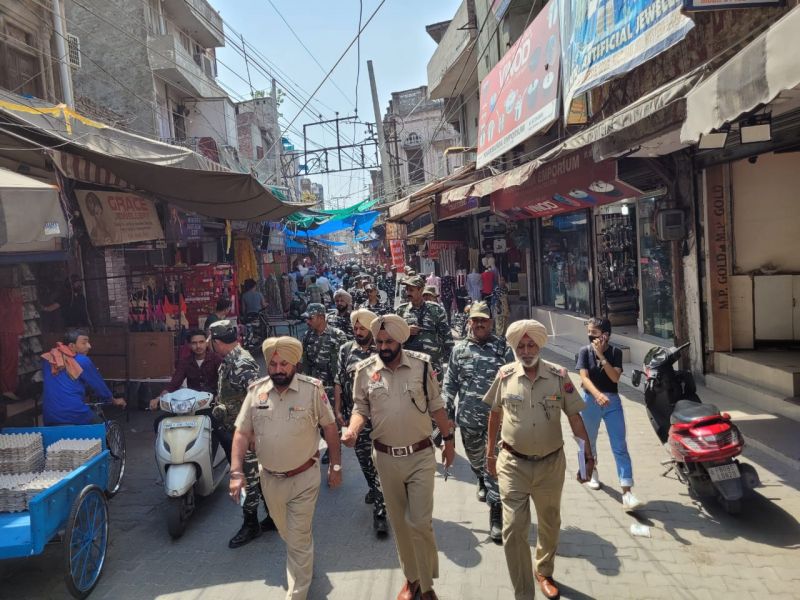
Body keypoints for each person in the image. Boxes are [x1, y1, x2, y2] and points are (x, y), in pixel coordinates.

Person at [343, 314, 455, 600]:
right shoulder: (364, 371)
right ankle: (412, 579)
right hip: (386, 458)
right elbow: (360, 409)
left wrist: (450, 441)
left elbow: (437, 405)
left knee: (420, 522)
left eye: (389, 341)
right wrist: (353, 431)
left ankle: (428, 586)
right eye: (379, 341)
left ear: (400, 340)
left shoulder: (421, 365)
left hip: (420, 456)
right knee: (401, 524)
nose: (383, 346)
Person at [484, 320, 594, 600]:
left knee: (550, 521)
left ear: (540, 345)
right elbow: (495, 413)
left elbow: (574, 417)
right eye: (520, 345)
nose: (525, 349)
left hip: (550, 465)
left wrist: (587, 457)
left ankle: (544, 570)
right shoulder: (505, 375)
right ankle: (523, 593)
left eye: (531, 343)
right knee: (513, 530)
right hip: (512, 464)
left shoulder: (559, 376)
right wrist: (489, 453)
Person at [231, 336, 341, 600]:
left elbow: (329, 427)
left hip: (304, 477)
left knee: (298, 538)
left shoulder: (312, 390)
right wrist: (236, 473)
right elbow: (242, 433)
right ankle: (304, 559)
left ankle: (296, 593)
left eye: (284, 364)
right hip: (269, 479)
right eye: (273, 364)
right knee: (287, 532)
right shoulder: (256, 392)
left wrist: (335, 465)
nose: (278, 369)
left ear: (296, 364)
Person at [441, 301, 513, 544]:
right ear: (469, 322)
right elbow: (449, 384)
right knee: (476, 460)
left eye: (484, 319)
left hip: (499, 421)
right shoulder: (459, 350)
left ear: (491, 322)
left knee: (494, 464)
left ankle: (496, 513)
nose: (480, 323)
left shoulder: (503, 347)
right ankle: (480, 477)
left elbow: (515, 377)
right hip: (469, 419)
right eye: (476, 319)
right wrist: (446, 415)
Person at [207, 320, 273, 548]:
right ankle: (272, 517)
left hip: (246, 432)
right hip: (237, 428)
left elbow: (259, 399)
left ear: (216, 342)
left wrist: (253, 433)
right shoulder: (230, 360)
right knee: (256, 476)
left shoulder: (241, 362)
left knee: (248, 478)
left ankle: (251, 524)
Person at [576, 317, 642, 511]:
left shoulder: (615, 353)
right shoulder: (583, 352)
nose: (590, 336)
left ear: (605, 335)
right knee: (588, 442)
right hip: (590, 401)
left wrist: (601, 356)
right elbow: (584, 379)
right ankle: (591, 470)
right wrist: (597, 395)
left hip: (612, 402)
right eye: (588, 332)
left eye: (594, 333)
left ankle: (627, 492)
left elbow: (614, 377)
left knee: (619, 445)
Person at [333, 308, 388, 536]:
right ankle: (374, 489)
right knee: (364, 461)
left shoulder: (383, 349)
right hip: (356, 417)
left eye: (362, 328)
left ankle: (381, 511)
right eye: (355, 328)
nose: (357, 332)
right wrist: (337, 410)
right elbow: (338, 380)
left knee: (380, 464)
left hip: (381, 419)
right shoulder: (346, 350)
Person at [41, 329, 126, 425]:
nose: (89, 346)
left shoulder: (49, 359)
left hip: (49, 414)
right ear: (71, 346)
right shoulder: (82, 360)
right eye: (84, 343)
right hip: (75, 412)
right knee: (102, 430)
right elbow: (98, 385)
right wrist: (113, 400)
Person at [301, 303, 348, 464]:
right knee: (319, 422)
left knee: (334, 420)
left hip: (333, 385)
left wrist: (343, 387)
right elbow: (304, 361)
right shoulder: (307, 336)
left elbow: (345, 362)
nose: (308, 322)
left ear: (321, 317)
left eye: (310, 318)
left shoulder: (338, 335)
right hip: (315, 385)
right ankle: (329, 443)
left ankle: (335, 450)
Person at [149, 329, 223, 430]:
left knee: (221, 431)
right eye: (194, 343)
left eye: (201, 342)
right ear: (189, 345)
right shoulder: (185, 362)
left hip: (211, 405)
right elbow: (174, 384)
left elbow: (224, 382)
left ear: (206, 343)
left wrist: (219, 397)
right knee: (160, 422)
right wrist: (158, 398)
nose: (198, 346)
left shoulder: (217, 359)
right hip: (190, 405)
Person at [394, 275, 453, 383]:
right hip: (409, 364)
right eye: (407, 289)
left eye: (411, 290)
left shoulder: (436, 309)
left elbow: (446, 336)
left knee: (434, 394)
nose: (408, 293)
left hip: (432, 363)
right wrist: (406, 331)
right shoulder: (401, 311)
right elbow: (393, 337)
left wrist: (449, 360)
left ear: (421, 290)